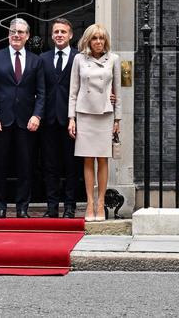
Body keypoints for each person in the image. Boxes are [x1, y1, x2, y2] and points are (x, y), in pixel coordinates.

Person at [0, 17, 46, 218]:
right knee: (0, 165)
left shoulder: (36, 60)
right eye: (13, 32)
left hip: (27, 122)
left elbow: (41, 92)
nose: (16, 35)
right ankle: (0, 208)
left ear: (27, 36)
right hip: (0, 121)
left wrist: (37, 115)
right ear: (8, 34)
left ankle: (22, 208)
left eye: (20, 32)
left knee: (26, 166)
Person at [68, 23, 121, 222]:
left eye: (101, 38)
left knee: (103, 159)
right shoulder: (79, 59)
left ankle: (101, 203)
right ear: (88, 40)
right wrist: (71, 118)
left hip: (105, 113)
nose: (98, 42)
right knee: (87, 159)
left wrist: (118, 119)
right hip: (85, 113)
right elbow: (73, 91)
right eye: (94, 38)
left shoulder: (113, 59)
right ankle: (90, 203)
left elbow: (119, 91)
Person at [39, 18, 80, 218]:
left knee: (71, 166)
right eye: (56, 32)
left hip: (72, 121)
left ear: (70, 35)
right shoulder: (43, 58)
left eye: (63, 31)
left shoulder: (79, 58)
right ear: (52, 35)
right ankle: (52, 207)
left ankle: (70, 207)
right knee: (50, 166)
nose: (59, 35)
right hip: (48, 121)